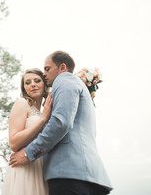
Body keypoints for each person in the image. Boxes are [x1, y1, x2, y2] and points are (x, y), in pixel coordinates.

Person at [9, 51, 113, 195]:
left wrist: (28, 153)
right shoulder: (30, 104)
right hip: (85, 174)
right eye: (27, 82)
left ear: (62, 67)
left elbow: (61, 123)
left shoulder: (64, 80)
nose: (44, 75)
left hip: (69, 173)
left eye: (47, 69)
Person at [1, 68, 52, 195]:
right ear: (24, 88)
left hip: (41, 169)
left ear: (44, 84)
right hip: (24, 167)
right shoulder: (22, 103)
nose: (33, 84)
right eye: (27, 83)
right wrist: (43, 120)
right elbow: (13, 143)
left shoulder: (46, 111)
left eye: (37, 80)